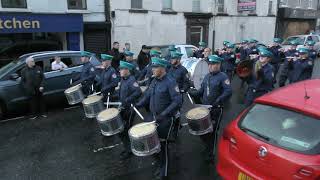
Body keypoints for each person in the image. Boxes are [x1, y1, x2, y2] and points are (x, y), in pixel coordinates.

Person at [136, 57, 182, 180]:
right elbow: (147, 95)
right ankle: (160, 163)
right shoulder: (154, 81)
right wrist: (139, 104)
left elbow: (177, 101)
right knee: (152, 144)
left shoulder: (170, 82)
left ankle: (164, 171)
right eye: (152, 67)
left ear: (162, 68)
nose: (152, 70)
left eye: (155, 68)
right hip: (153, 117)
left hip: (165, 119)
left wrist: (165, 114)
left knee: (163, 145)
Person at [188, 55, 232, 164]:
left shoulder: (223, 77)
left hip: (217, 109)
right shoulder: (207, 76)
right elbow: (202, 90)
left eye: (214, 64)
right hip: (206, 108)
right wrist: (192, 92)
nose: (211, 66)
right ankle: (207, 146)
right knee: (203, 131)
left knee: (212, 132)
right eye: (210, 64)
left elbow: (228, 91)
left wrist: (219, 100)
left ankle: (210, 153)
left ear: (219, 65)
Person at [116, 61, 142, 160]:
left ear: (127, 70)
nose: (120, 71)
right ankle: (128, 147)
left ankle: (129, 150)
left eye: (122, 69)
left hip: (130, 109)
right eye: (120, 69)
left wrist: (127, 100)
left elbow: (138, 91)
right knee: (120, 130)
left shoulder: (131, 80)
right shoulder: (123, 79)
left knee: (125, 129)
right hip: (123, 107)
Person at [168, 51, 191, 139]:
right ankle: (176, 126)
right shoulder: (170, 69)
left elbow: (187, 83)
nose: (171, 60)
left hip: (178, 95)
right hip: (169, 95)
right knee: (171, 113)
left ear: (178, 59)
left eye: (173, 58)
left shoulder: (183, 70)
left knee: (176, 113)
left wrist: (182, 90)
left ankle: (175, 131)